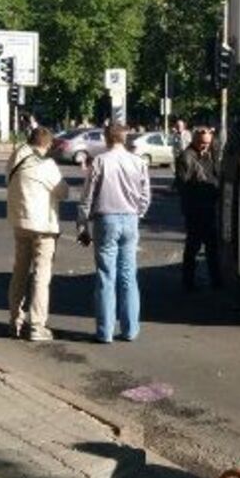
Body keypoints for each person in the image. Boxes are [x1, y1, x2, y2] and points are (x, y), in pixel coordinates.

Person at [77, 123, 150, 343]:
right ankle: (130, 329)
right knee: (128, 275)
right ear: (125, 138)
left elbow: (88, 195)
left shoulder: (100, 161)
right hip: (130, 219)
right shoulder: (138, 162)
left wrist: (83, 225)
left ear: (106, 138)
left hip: (105, 219)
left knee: (106, 276)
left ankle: (105, 331)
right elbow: (145, 195)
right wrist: (139, 213)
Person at [6, 126, 69, 342]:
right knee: (41, 275)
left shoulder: (15, 158)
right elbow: (63, 192)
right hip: (43, 226)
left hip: (20, 222)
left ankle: (15, 319)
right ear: (48, 144)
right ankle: (37, 325)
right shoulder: (47, 165)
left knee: (19, 272)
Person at [175, 126, 222, 291]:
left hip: (210, 208)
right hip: (195, 209)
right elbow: (182, 185)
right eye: (202, 143)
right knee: (192, 247)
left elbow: (217, 175)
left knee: (213, 247)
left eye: (208, 143)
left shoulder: (211, 154)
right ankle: (188, 282)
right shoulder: (186, 157)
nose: (205, 146)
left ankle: (216, 281)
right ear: (194, 140)